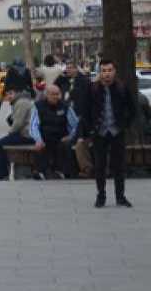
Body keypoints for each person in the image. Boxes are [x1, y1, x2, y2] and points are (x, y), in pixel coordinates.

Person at [79, 59, 133, 208]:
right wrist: (91, 129)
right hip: (100, 132)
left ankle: (120, 196)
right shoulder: (92, 89)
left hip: (117, 131)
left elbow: (132, 109)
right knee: (100, 166)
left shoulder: (122, 88)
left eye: (109, 70)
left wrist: (125, 125)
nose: (107, 74)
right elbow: (85, 111)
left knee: (119, 166)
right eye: (104, 71)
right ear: (99, 73)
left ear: (114, 72)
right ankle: (101, 196)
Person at [29, 84, 79, 179]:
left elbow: (76, 125)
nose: (56, 97)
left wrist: (70, 136)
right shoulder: (38, 106)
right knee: (40, 145)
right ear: (46, 95)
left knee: (64, 145)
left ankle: (61, 171)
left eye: (57, 94)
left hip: (61, 137)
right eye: (53, 94)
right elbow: (33, 126)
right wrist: (38, 139)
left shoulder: (65, 106)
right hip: (44, 137)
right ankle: (42, 171)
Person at [0, 86, 36, 180]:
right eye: (7, 94)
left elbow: (18, 123)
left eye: (11, 93)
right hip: (27, 134)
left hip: (27, 135)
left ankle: (1, 174)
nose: (8, 96)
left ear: (17, 93)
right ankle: (1, 171)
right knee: (3, 143)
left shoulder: (21, 102)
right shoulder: (22, 101)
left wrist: (10, 133)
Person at [55, 60, 93, 176]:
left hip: (79, 115)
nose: (69, 70)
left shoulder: (84, 81)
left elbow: (84, 99)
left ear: (77, 69)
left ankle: (73, 170)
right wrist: (62, 75)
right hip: (68, 116)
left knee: (71, 143)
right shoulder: (64, 80)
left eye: (71, 67)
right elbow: (55, 85)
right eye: (67, 68)